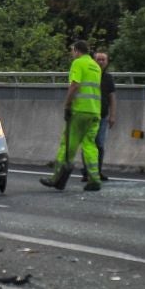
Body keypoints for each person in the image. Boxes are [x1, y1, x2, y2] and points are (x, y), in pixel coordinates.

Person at [41, 40, 103, 192]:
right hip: (95, 111)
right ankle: (94, 179)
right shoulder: (96, 66)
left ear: (76, 50)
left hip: (79, 111)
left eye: (72, 51)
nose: (72, 54)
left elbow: (75, 85)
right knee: (90, 145)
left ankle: (56, 178)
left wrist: (67, 105)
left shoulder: (78, 63)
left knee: (67, 145)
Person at [93, 50, 117, 181]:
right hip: (90, 115)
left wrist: (112, 115)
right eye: (98, 59)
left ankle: (98, 170)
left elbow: (112, 97)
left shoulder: (108, 78)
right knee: (89, 144)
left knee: (100, 145)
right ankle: (88, 171)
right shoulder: (90, 75)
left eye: (103, 59)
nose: (101, 62)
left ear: (107, 62)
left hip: (102, 116)